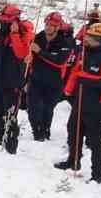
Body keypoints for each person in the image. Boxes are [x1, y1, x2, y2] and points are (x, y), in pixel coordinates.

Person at [55, 22, 101, 183]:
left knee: (95, 140)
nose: (86, 39)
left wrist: (86, 79)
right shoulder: (85, 53)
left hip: (99, 104)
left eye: (90, 37)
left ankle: (99, 173)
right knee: (74, 130)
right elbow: (76, 73)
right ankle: (73, 161)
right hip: (81, 100)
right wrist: (68, 90)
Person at [0, 3, 32, 153]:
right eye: (1, 21)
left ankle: (10, 146)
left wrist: (15, 34)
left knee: (10, 115)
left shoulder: (24, 36)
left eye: (6, 22)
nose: (3, 24)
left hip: (13, 83)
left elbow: (22, 53)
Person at [26, 11, 73, 142]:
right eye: (47, 24)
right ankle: (36, 130)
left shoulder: (65, 42)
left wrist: (39, 52)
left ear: (57, 27)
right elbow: (31, 52)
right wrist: (29, 57)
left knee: (47, 108)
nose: (48, 27)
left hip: (54, 81)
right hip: (36, 78)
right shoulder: (38, 37)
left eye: (52, 25)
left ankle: (45, 130)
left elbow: (59, 61)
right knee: (33, 106)